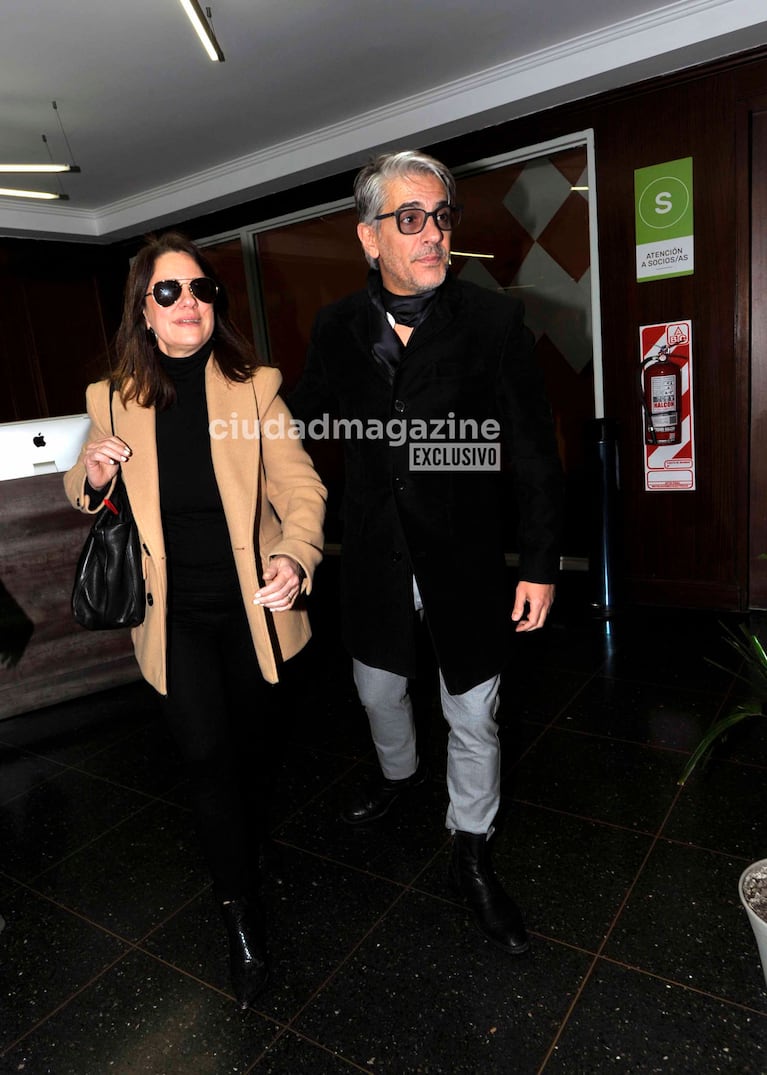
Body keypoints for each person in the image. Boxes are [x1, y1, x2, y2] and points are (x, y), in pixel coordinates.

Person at [289, 150, 563, 955]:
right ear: (369, 237)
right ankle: (398, 777)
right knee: (376, 691)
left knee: (472, 711)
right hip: (374, 549)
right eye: (410, 219)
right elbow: (300, 418)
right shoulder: (338, 325)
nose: (432, 233)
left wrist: (541, 562)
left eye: (441, 216)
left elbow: (531, 449)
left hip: (464, 555)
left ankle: (470, 852)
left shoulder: (493, 321)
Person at [64, 232, 326, 1008]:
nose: (189, 304)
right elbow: (81, 489)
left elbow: (301, 489)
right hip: (171, 616)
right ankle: (240, 915)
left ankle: (244, 847)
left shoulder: (254, 391)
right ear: (144, 310)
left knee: (246, 754)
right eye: (169, 292)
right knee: (206, 758)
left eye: (201, 290)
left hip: (252, 610)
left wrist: (297, 554)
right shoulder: (111, 396)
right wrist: (96, 472)